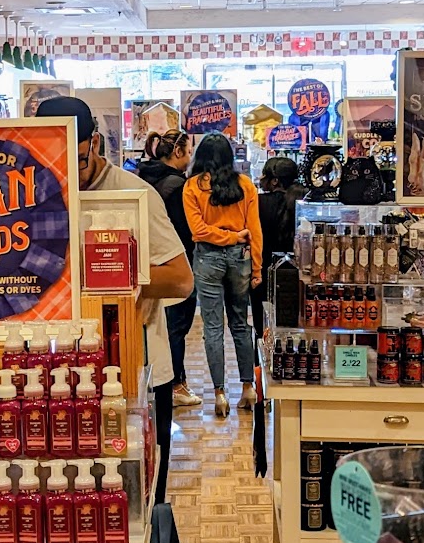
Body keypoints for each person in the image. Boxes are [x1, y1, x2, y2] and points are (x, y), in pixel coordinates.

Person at [31, 97, 195, 493]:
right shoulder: (32, 197)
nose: (67, 174)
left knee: (141, 495)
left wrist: (105, 277)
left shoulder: (134, 194)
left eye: (77, 161)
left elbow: (180, 279)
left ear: (94, 144)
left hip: (139, 373)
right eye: (54, 163)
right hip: (60, 378)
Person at [183, 134, 262, 418]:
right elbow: (255, 230)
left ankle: (219, 394)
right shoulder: (245, 185)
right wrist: (256, 267)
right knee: (241, 325)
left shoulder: (192, 187)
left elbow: (198, 231)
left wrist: (224, 237)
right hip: (241, 258)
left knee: (213, 328)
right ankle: (248, 388)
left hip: (207, 258)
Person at [134, 130, 199, 412]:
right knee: (176, 329)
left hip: (145, 267)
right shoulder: (177, 186)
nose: (190, 157)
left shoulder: (141, 178)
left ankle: (161, 384)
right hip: (172, 266)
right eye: (188, 152)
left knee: (157, 329)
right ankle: (176, 385)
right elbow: (184, 231)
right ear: (177, 152)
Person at [255, 155, 301, 331]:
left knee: (263, 326)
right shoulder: (301, 201)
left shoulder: (259, 203)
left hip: (263, 270)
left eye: (264, 175)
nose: (261, 178)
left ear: (274, 181)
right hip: (294, 274)